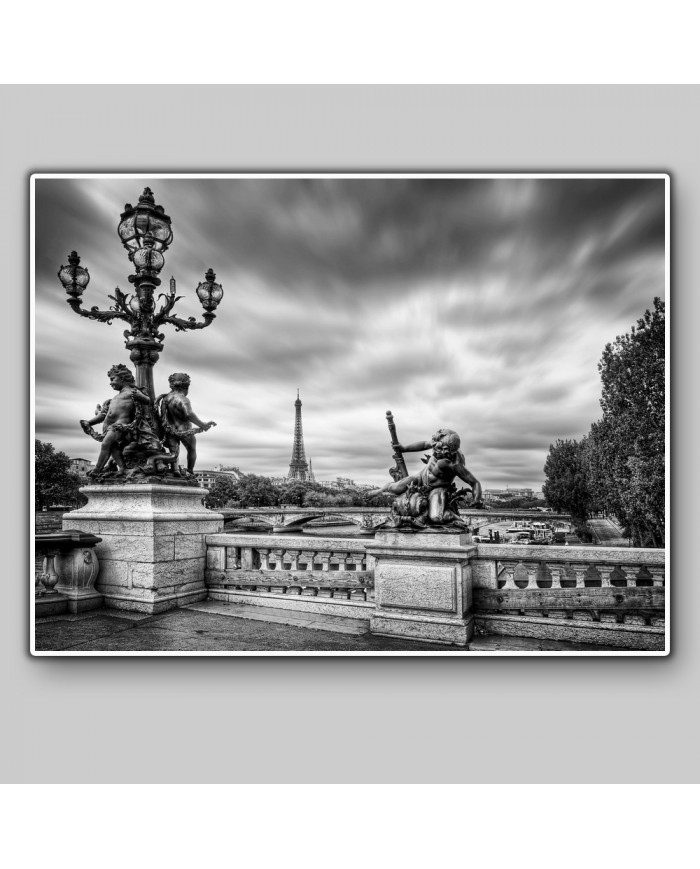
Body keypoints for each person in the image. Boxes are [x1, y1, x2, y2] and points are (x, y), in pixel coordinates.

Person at [369, 428, 483, 525]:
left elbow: (474, 482)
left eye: (440, 451)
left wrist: (476, 499)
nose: (435, 452)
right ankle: (380, 490)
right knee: (396, 487)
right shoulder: (439, 443)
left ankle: (453, 516)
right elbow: (424, 444)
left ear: (450, 451)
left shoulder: (455, 464)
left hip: (438, 488)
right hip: (420, 478)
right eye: (435, 448)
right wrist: (404, 449)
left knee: (436, 517)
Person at [80, 364, 151, 477]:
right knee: (113, 447)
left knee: (105, 444)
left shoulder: (132, 392)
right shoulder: (114, 398)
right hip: (110, 428)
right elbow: (103, 415)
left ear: (122, 378)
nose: (111, 382)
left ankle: (97, 469)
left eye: (113, 379)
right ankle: (122, 468)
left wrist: (140, 396)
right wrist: (89, 422)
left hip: (120, 426)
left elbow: (147, 400)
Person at [155, 373, 216, 473]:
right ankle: (190, 471)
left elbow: (163, 416)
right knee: (191, 449)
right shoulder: (183, 399)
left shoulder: (166, 398)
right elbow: (189, 414)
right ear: (186, 386)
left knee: (174, 451)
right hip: (184, 429)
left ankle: (175, 470)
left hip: (170, 429)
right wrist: (202, 425)